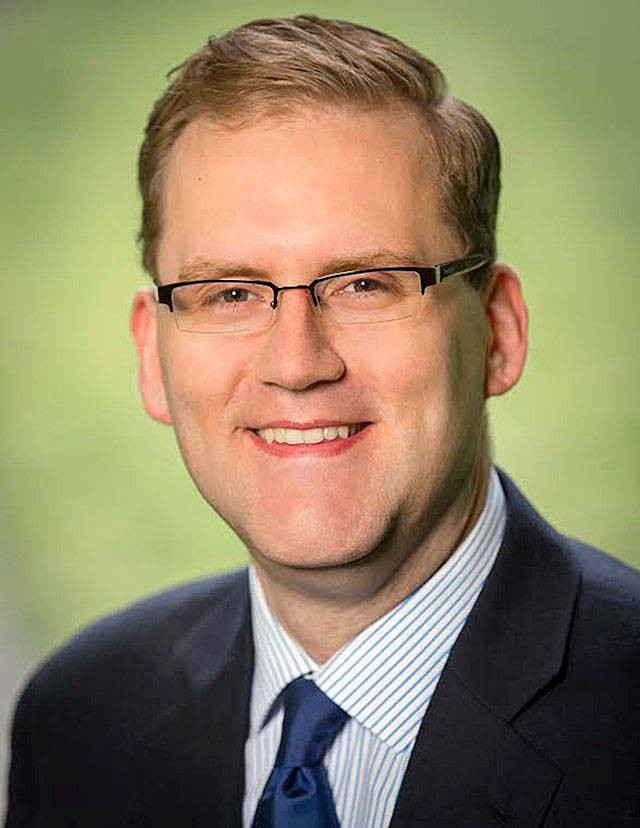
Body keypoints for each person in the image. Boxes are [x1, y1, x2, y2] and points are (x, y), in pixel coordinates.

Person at [6, 14, 640, 827]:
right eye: (230, 292)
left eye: (366, 284)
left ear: (498, 333)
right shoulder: (80, 718)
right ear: (151, 357)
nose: (297, 363)